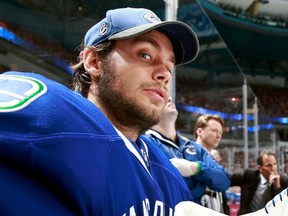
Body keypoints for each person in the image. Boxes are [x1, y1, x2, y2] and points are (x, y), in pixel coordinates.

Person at [0, 7, 200, 215]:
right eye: (145, 55)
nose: (164, 74)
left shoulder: (169, 176)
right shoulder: (52, 114)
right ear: (94, 61)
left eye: (170, 68)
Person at [142, 98, 230, 208]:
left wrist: (196, 168)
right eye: (161, 96)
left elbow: (224, 181)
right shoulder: (144, 143)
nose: (169, 99)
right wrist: (202, 181)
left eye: (220, 132)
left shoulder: (195, 147)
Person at [230, 149, 288, 215]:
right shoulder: (249, 175)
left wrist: (277, 187)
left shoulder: (284, 181)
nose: (273, 168)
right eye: (268, 165)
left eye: (274, 164)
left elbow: (282, 207)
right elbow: (228, 179)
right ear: (260, 168)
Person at [193, 114, 230, 214]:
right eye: (214, 131)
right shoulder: (186, 156)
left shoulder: (214, 163)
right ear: (199, 131)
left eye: (221, 133)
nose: (218, 136)